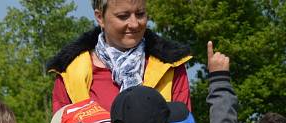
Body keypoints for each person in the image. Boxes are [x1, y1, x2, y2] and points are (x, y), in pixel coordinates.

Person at [48, 0, 192, 112]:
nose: (134, 24)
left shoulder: (171, 66)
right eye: (123, 16)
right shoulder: (69, 72)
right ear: (100, 18)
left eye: (140, 14)